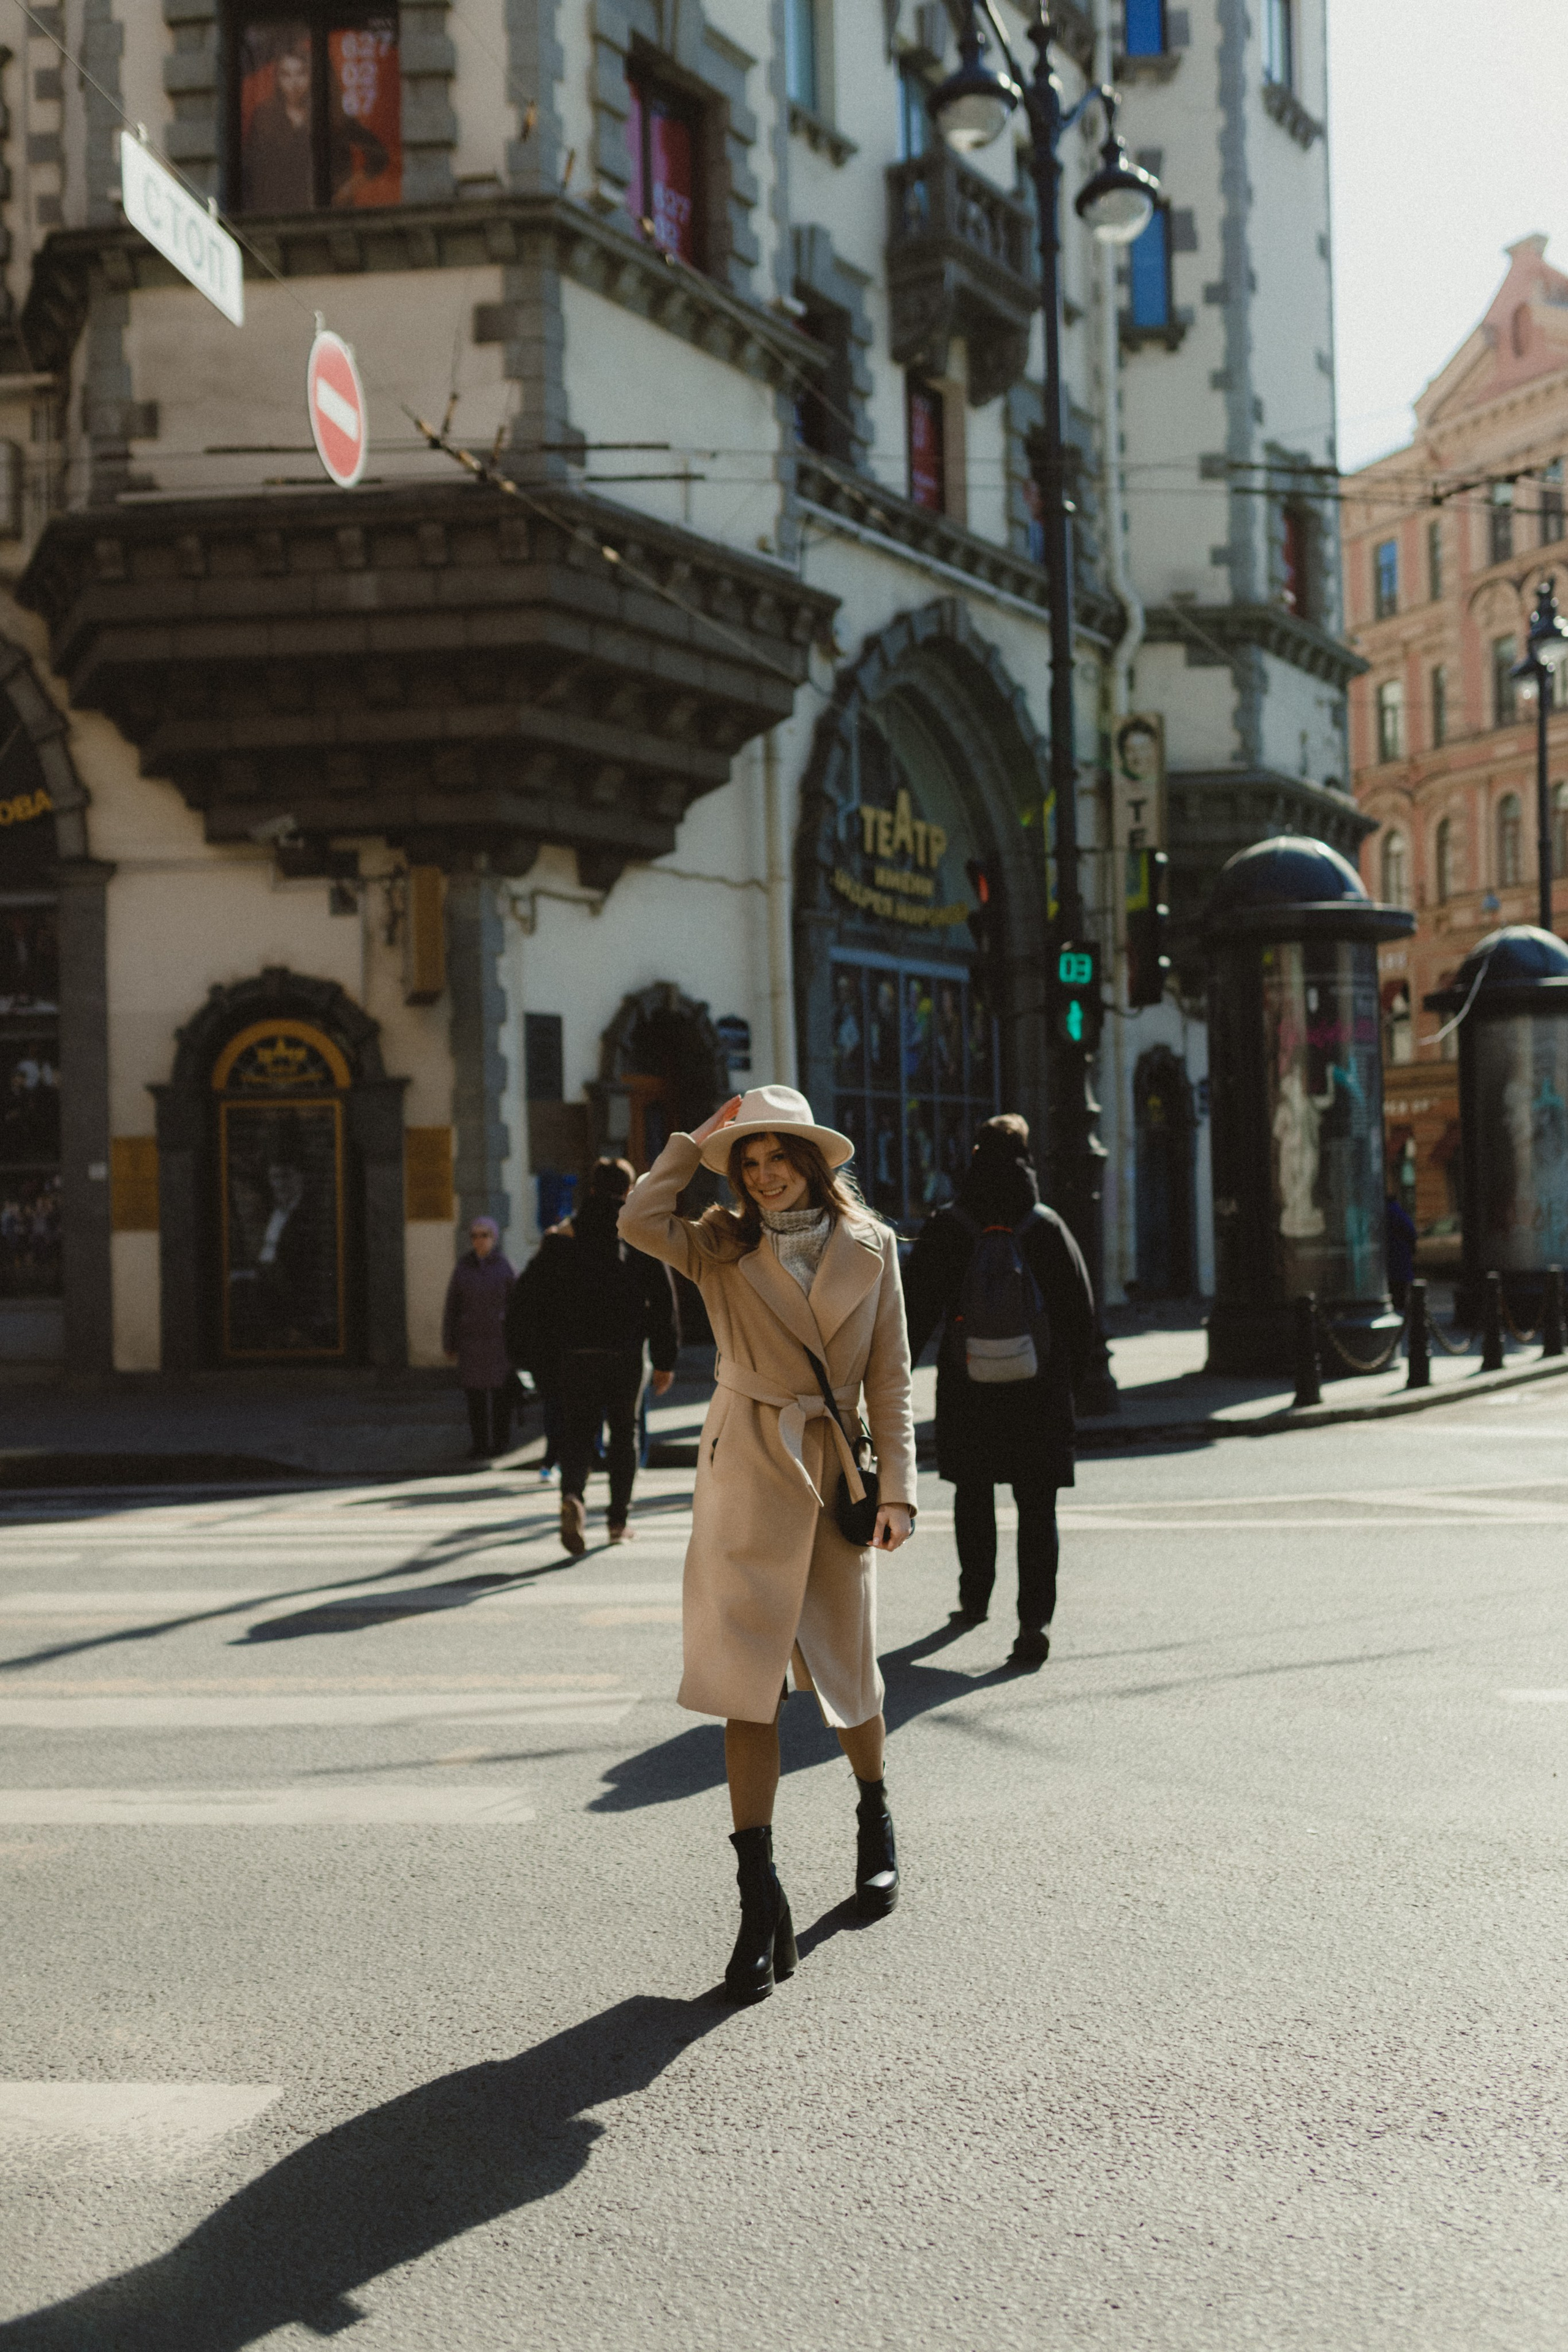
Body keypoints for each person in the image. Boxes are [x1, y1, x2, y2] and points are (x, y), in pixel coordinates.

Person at [619, 1084, 916, 2004]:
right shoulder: (717, 1245)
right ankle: (759, 1903)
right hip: (748, 1469)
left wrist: (898, 1492)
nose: (762, 1175)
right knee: (746, 1687)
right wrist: (696, 1138)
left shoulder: (872, 1248)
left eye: (775, 1156)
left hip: (832, 1476)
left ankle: (874, 1814)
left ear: (812, 1161)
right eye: (747, 1163)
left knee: (848, 1672)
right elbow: (638, 1216)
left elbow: (891, 1377)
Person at [903, 1114, 1094, 1669]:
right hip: (1040, 1389)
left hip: (969, 1385)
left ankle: (973, 1596)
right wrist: (1071, 1387)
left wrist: (895, 1381)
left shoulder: (949, 1225)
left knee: (972, 1491)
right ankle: (1034, 1622)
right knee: (1037, 1507)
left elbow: (913, 1314)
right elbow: (1079, 1317)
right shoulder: (1047, 1227)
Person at [507, 1157, 680, 1552]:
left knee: (578, 1431)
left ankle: (573, 1497)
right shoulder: (637, 1234)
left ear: (591, 1190)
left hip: (574, 1354)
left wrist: (533, 1355)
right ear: (629, 1190)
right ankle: (618, 1521)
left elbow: (527, 1298)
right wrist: (666, 1358)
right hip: (625, 1354)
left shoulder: (563, 1236)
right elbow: (663, 1301)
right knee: (625, 1434)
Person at [442, 1216, 517, 1460]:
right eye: (474, 1236)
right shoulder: (464, 1267)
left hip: (498, 1342)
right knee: (475, 1397)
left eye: (484, 1235)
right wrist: (449, 1342)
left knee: (499, 1396)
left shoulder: (504, 1266)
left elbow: (516, 1305)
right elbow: (452, 1306)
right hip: (471, 1341)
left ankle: (500, 1442)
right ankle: (479, 1444)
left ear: (493, 1238)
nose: (479, 1241)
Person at [1384, 1189, 1416, 1314]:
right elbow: (1411, 1231)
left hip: (1392, 1255)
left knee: (1394, 1283)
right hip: (1401, 1253)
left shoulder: (1385, 1212)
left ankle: (1397, 1305)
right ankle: (1402, 1306)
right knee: (1401, 1284)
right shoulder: (1398, 1212)